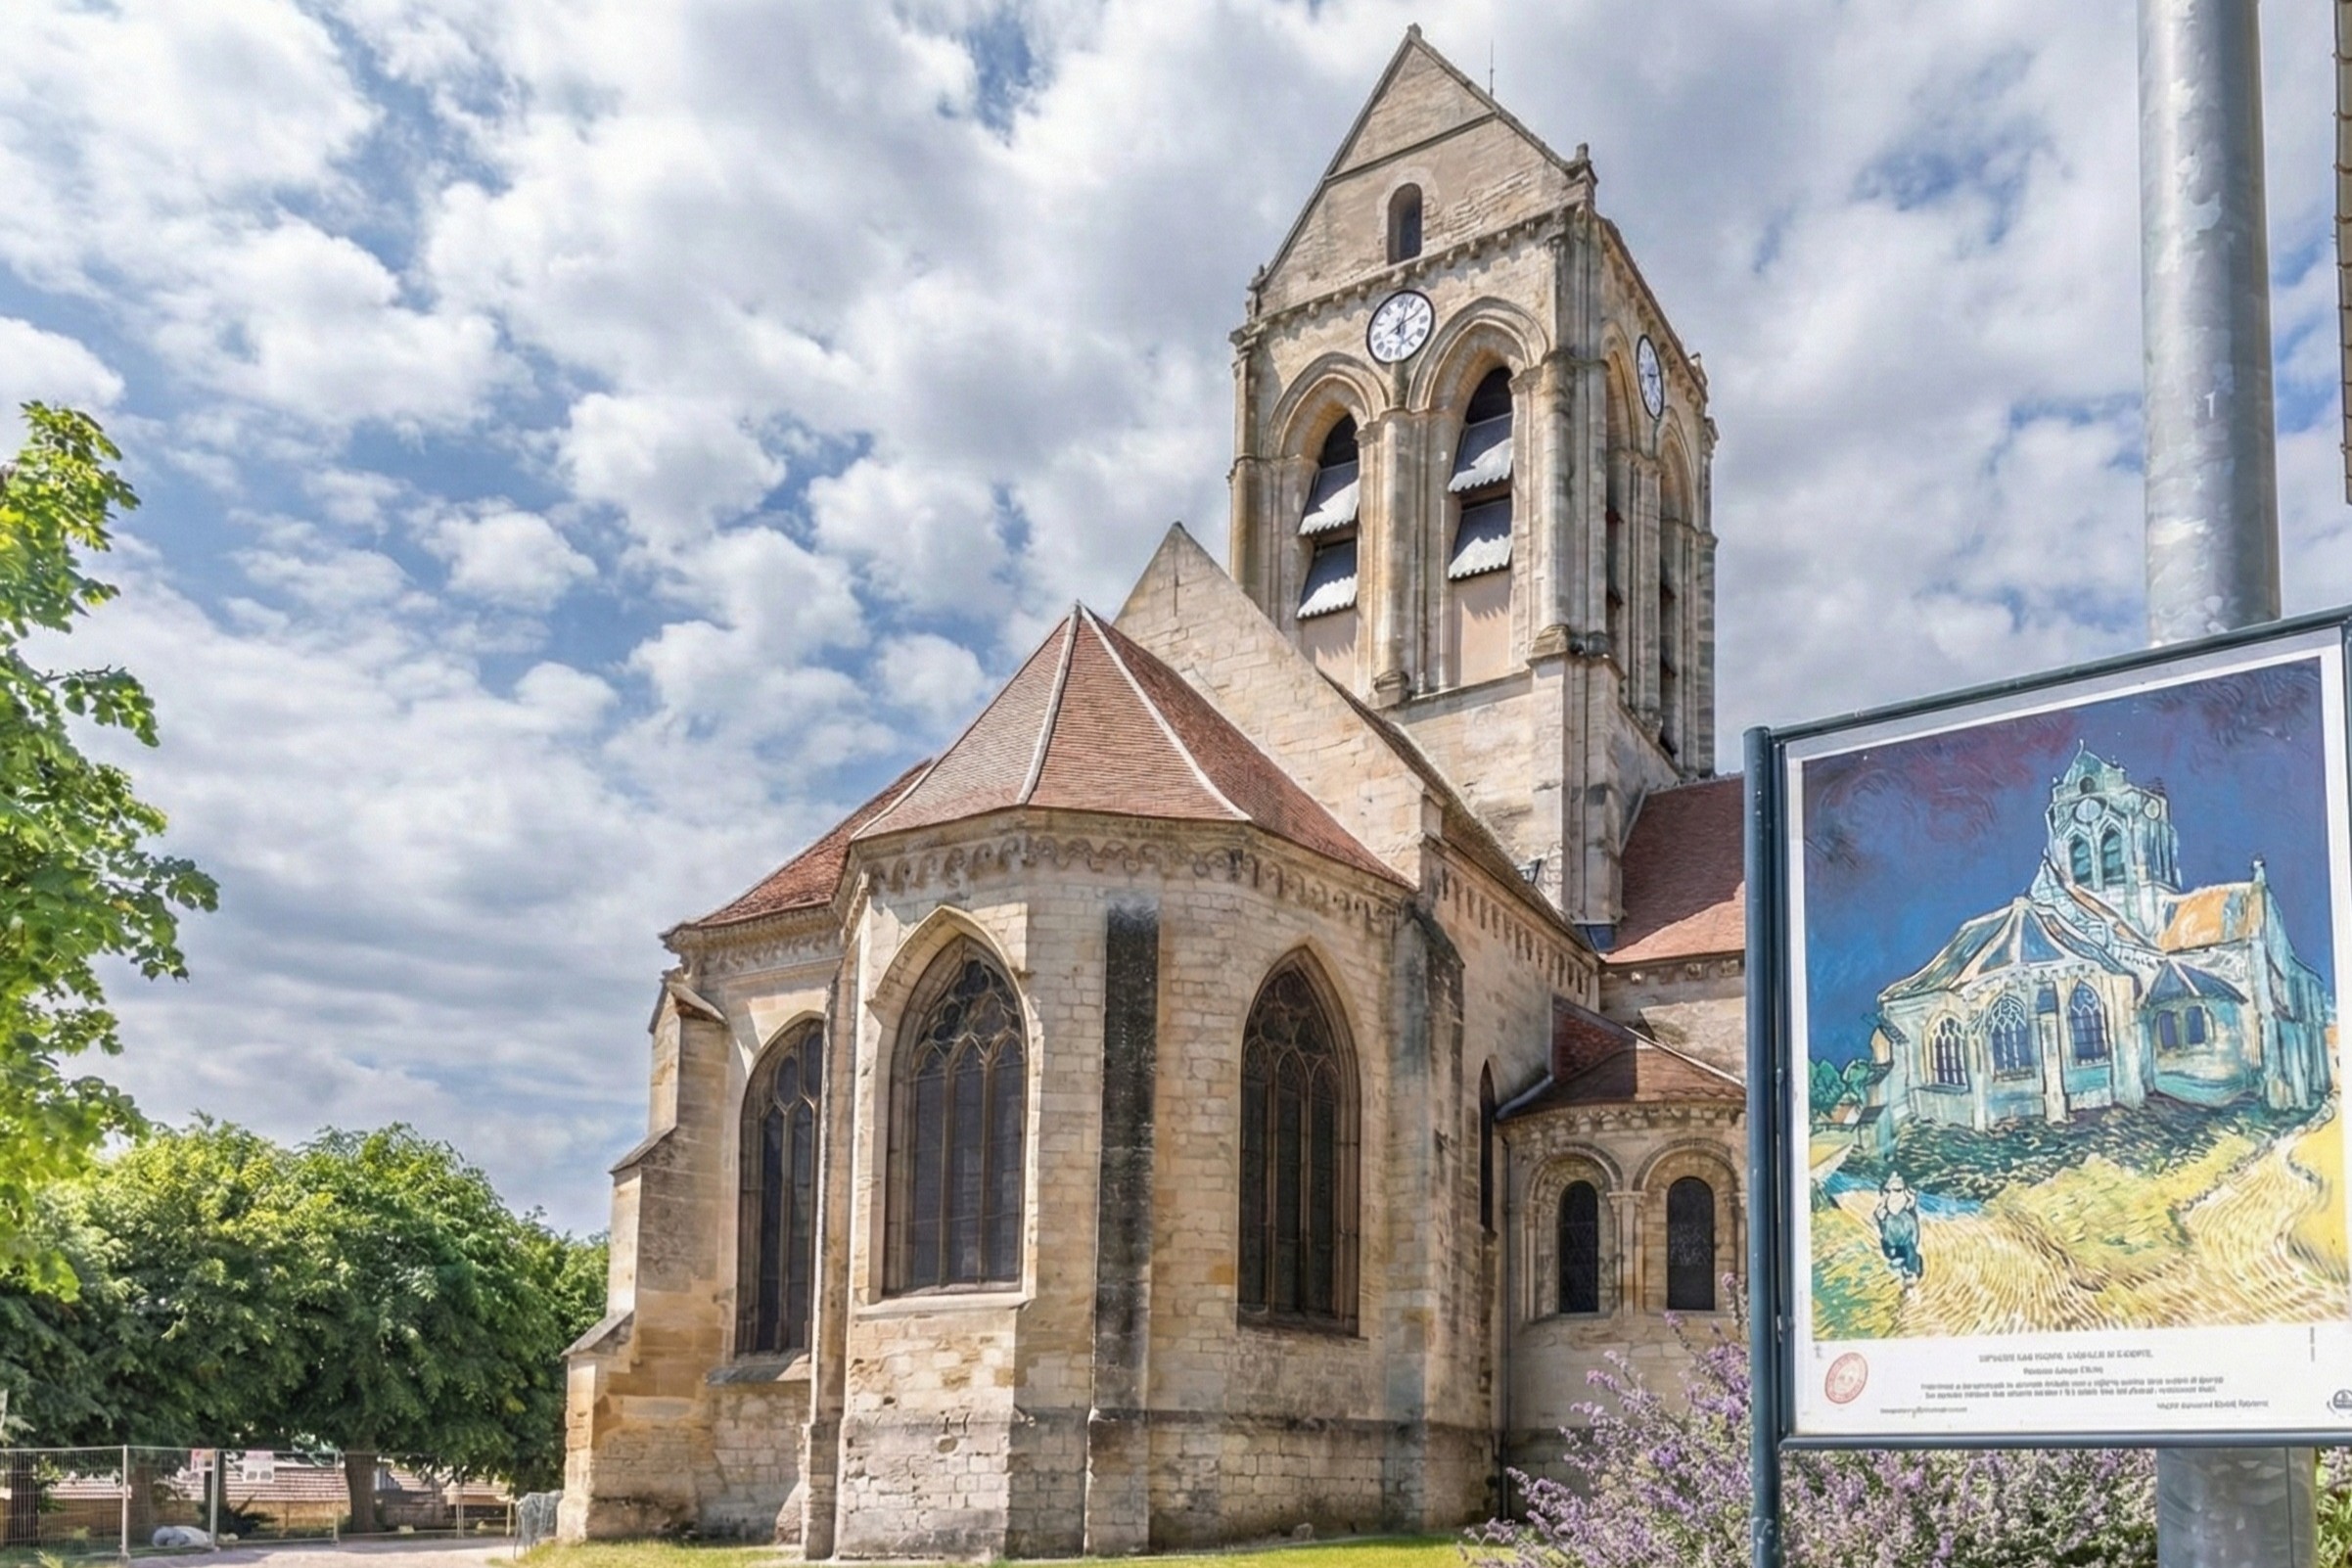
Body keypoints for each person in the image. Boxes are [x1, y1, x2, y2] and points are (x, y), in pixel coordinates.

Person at [1873, 1172, 1924, 1283]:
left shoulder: (1908, 1213)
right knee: (1893, 1256)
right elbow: (1882, 1234)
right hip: (1891, 1246)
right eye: (1887, 1191)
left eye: (1897, 1190)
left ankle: (1910, 1273)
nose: (1892, 1196)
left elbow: (1914, 1237)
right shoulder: (1882, 1213)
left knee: (1909, 1252)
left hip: (1907, 1246)